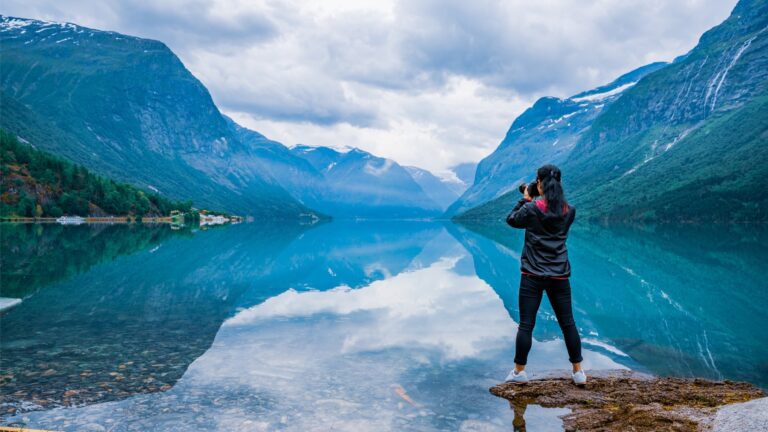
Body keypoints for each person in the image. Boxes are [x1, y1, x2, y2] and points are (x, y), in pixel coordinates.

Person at [504, 164, 586, 386]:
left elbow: (511, 220)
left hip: (532, 274)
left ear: (539, 183)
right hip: (560, 274)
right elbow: (553, 211)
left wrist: (525, 199)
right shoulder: (570, 211)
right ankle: (578, 372)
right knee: (568, 323)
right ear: (559, 184)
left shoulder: (532, 209)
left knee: (526, 324)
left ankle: (519, 372)